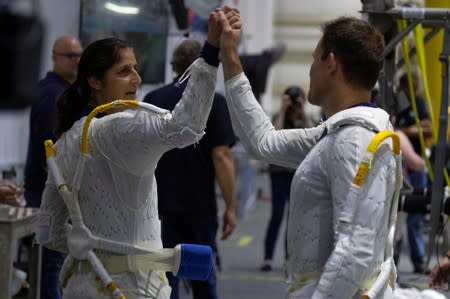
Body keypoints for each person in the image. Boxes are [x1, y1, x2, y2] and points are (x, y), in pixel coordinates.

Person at [36, 7, 241, 299]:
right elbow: (186, 128)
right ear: (95, 81)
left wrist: (86, 245)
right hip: (131, 289)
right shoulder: (121, 128)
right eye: (124, 71)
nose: (136, 78)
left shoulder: (64, 142)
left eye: (134, 68)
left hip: (79, 286)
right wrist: (210, 52)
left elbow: (46, 231)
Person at [220, 14, 400, 298]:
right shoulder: (341, 133)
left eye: (314, 59)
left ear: (331, 63)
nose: (309, 71)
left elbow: (355, 252)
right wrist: (229, 56)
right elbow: (264, 142)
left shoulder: (354, 139)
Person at [144, 38, 236, 299]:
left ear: (175, 66)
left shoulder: (153, 99)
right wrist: (231, 206)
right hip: (199, 207)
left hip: (157, 206)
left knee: (162, 277)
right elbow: (222, 156)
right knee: (201, 278)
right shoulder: (214, 103)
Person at [24, 35, 83, 299]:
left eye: (80, 55)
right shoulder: (54, 94)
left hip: (47, 193)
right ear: (54, 57)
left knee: (51, 265)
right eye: (71, 56)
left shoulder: (58, 90)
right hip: (50, 196)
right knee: (52, 266)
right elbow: (53, 154)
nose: (77, 61)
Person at [260, 85, 312, 272]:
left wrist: (303, 111)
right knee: (276, 215)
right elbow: (274, 135)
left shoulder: (304, 118)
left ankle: (290, 259)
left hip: (298, 174)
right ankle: (267, 257)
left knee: (294, 219)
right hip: (279, 173)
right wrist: (282, 109)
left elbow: (313, 136)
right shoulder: (279, 116)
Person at [394, 73, 433, 274]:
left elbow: (427, 128)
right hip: (401, 166)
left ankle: (418, 261)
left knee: (415, 216)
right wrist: (410, 130)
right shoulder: (397, 103)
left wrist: (404, 131)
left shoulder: (419, 102)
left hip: (416, 164)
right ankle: (393, 261)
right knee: (396, 217)